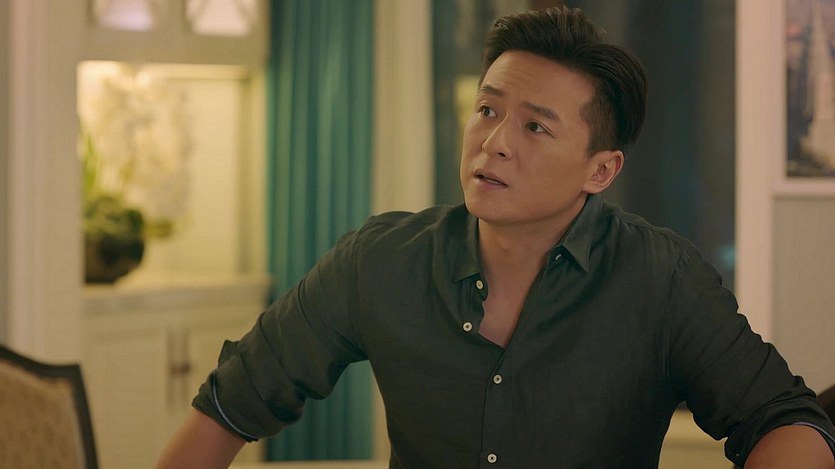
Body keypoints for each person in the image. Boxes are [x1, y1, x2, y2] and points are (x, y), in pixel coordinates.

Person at [156, 6, 835, 468]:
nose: (494, 142)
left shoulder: (659, 277)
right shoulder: (381, 261)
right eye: (486, 109)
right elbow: (231, 401)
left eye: (535, 126)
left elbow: (785, 420)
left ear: (600, 170)